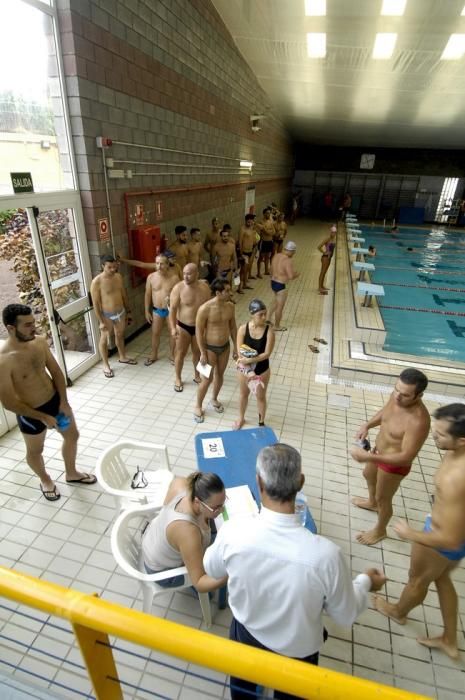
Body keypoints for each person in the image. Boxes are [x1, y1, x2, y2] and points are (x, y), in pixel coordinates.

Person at [203, 443, 387, 700]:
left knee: (242, 691)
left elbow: (211, 568)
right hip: (298, 652)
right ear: (300, 482)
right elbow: (344, 614)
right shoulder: (325, 555)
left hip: (246, 635)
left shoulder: (234, 531)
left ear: (259, 482)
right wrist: (366, 581)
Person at [373, 403, 465, 660]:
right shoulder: (457, 452)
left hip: (440, 538)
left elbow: (451, 537)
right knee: (442, 579)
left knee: (418, 579)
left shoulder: (457, 478)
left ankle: (397, 612)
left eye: (440, 435)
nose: (433, 436)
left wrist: (411, 533)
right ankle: (449, 638)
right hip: (449, 529)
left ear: (462, 440)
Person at [0, 304, 96, 501]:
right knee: (36, 451)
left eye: (33, 323)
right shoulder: (4, 361)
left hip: (55, 402)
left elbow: (56, 372)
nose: (33, 328)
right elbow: (9, 403)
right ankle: (45, 480)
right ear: (11, 328)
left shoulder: (39, 342)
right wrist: (42, 417)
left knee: (72, 436)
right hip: (30, 413)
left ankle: (71, 473)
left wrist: (64, 402)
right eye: (27, 325)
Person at [351, 368, 431, 545]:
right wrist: (367, 425)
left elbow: (405, 458)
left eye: (404, 395)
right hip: (378, 452)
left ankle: (380, 530)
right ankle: (372, 503)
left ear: (419, 396)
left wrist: (368, 458)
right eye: (396, 389)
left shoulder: (418, 421)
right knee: (368, 475)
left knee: (384, 498)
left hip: (394, 464)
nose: (397, 396)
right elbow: (385, 413)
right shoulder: (397, 397)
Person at [142, 472, 227, 593]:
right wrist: (229, 574)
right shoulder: (188, 532)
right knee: (214, 567)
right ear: (197, 502)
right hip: (161, 571)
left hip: (152, 540)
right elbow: (199, 583)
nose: (222, 510)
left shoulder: (182, 483)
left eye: (223, 503)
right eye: (216, 508)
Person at [194, 278, 237, 423]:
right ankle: (198, 406)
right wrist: (202, 352)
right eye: (227, 291)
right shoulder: (205, 309)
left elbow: (232, 327)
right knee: (207, 379)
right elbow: (199, 331)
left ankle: (214, 398)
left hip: (224, 347)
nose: (230, 293)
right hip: (209, 348)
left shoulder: (230, 306)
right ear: (218, 293)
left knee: (220, 375)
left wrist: (236, 347)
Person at [90, 255, 137, 378]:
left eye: (114, 267)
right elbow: (95, 303)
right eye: (109, 267)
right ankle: (105, 365)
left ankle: (122, 357)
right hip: (106, 315)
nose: (112, 269)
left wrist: (129, 310)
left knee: (120, 334)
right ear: (102, 266)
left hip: (120, 312)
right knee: (104, 339)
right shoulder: (97, 282)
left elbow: (123, 294)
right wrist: (100, 321)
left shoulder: (118, 277)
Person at [233, 299, 275, 431]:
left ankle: (261, 422)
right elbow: (240, 351)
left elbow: (267, 354)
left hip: (261, 369)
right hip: (244, 369)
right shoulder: (243, 329)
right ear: (252, 314)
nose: (264, 317)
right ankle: (241, 418)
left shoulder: (269, 331)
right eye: (260, 315)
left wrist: (249, 361)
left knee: (260, 396)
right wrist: (246, 365)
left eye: (265, 314)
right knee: (243, 394)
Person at [169, 263, 211, 392]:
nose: (185, 276)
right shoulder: (178, 288)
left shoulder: (205, 288)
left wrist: (208, 327)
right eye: (184, 273)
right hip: (183, 326)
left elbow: (208, 309)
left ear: (197, 274)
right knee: (180, 353)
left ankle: (197, 375)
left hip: (199, 327)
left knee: (198, 353)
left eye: (189, 273)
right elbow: (173, 309)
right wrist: (172, 327)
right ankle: (177, 377)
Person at [143, 254, 180, 366]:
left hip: (170, 310)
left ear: (167, 264)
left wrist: (175, 304)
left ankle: (172, 355)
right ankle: (154, 354)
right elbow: (147, 294)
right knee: (155, 333)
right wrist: (146, 311)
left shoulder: (174, 278)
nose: (159, 266)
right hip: (156, 310)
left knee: (172, 333)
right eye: (157, 263)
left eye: (162, 263)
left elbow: (179, 295)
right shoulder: (151, 277)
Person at [267, 240, 299, 332]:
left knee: (275, 301)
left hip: (273, 282)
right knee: (279, 307)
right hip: (281, 285)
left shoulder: (276, 255)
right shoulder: (288, 260)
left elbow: (270, 270)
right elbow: (291, 276)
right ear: (292, 251)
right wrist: (297, 274)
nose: (293, 254)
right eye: (294, 252)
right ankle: (277, 326)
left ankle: (267, 319)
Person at [237, 214, 256, 293]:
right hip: (244, 253)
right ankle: (239, 288)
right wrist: (241, 254)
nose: (250, 221)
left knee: (246, 269)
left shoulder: (252, 228)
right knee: (242, 271)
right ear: (246, 220)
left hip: (250, 252)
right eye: (248, 220)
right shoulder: (242, 229)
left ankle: (244, 284)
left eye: (251, 220)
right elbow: (240, 242)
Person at [256, 208, 276, 278]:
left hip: (269, 241)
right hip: (263, 242)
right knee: (261, 257)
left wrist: (266, 230)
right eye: (267, 213)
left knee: (268, 256)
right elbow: (265, 232)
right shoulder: (261, 222)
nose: (268, 214)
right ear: (264, 214)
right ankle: (258, 273)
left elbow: (273, 232)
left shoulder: (270, 221)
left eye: (269, 213)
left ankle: (266, 270)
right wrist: (268, 231)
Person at [317, 225, 337, 295]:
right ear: (330, 232)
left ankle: (322, 286)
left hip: (329, 258)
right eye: (332, 232)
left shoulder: (333, 239)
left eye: (334, 233)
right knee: (322, 272)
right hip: (325, 258)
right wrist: (324, 252)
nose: (333, 234)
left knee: (324, 272)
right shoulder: (327, 239)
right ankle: (320, 287)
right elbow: (319, 247)